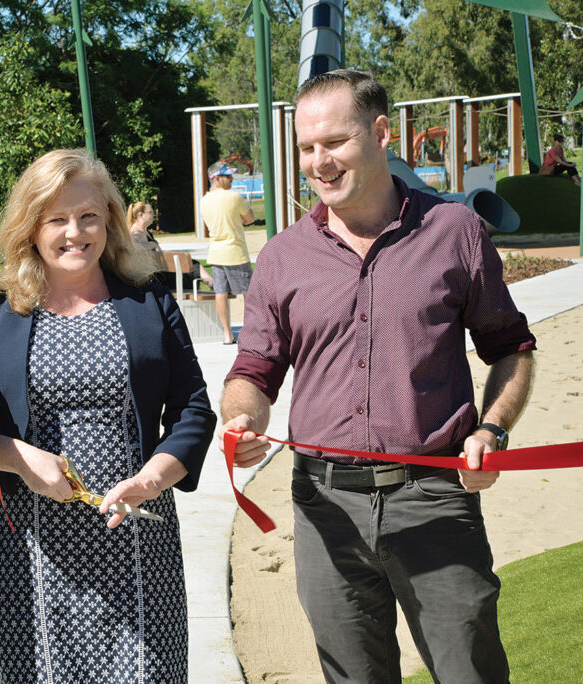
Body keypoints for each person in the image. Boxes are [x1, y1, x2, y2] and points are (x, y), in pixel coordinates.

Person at [221, 69, 535, 683]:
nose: (319, 162)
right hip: (323, 506)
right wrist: (244, 417)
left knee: (470, 673)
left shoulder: (455, 233)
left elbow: (512, 349)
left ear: (381, 132)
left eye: (334, 142)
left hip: (435, 499)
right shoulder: (283, 255)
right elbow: (254, 369)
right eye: (307, 147)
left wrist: (493, 430)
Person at [0, 149, 216, 683]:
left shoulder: (150, 301)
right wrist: (14, 456)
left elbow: (193, 409)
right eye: (56, 219)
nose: (75, 232)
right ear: (30, 227)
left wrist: (151, 480)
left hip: (139, 537)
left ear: (110, 221)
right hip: (30, 547)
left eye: (88, 216)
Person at [200, 163, 256, 345]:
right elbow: (250, 218)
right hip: (236, 251)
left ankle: (227, 333)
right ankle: (251, 331)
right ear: (217, 178)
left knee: (221, 293)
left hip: (216, 253)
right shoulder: (234, 197)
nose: (232, 179)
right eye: (228, 176)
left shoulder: (204, 200)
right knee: (248, 293)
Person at [127, 200, 214, 289]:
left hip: (160, 271)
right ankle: (212, 283)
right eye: (150, 212)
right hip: (156, 277)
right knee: (192, 265)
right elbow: (134, 247)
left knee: (191, 264)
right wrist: (153, 245)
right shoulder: (136, 232)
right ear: (140, 215)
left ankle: (212, 283)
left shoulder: (145, 232)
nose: (153, 215)